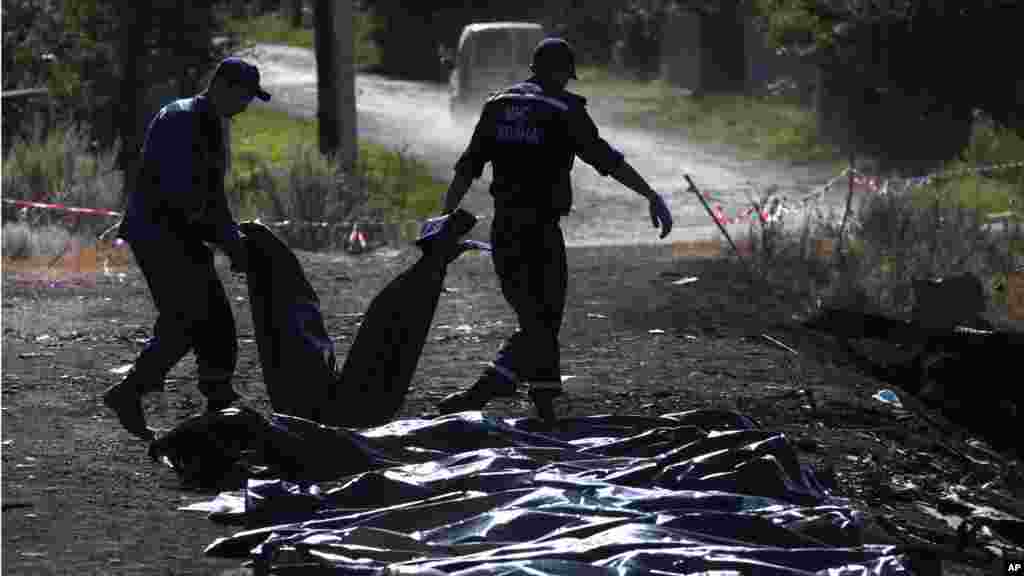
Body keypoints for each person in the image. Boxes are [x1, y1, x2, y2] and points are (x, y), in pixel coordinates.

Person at [436, 37, 673, 423]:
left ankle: (543, 401)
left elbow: (468, 168)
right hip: (540, 231)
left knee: (536, 316)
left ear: (533, 68)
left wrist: (446, 216)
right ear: (562, 73)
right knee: (544, 318)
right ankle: (487, 388)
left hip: (505, 229)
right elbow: (606, 160)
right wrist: (650, 194)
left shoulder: (498, 106)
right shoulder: (564, 109)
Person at [102, 58, 271, 440]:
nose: (246, 107)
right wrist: (230, 242)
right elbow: (191, 195)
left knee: (203, 318)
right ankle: (159, 393)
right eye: (245, 96)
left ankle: (207, 397)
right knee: (194, 317)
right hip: (162, 234)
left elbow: (210, 195)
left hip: (174, 233)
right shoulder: (188, 121)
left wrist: (229, 238)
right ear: (225, 86)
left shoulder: (203, 119)